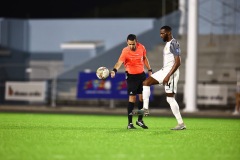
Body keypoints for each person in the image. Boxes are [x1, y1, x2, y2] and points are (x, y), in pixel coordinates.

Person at [138, 25, 186, 130]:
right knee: (145, 83)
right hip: (164, 71)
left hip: (171, 73)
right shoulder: (168, 44)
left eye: (162, 33)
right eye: (160, 33)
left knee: (170, 98)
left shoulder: (174, 43)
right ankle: (145, 108)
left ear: (168, 33)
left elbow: (178, 62)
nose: (161, 35)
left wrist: (168, 76)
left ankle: (181, 123)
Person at [111, 34, 152, 129]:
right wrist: (114, 70)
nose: (131, 46)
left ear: (136, 42)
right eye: (129, 44)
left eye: (133, 44)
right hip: (131, 77)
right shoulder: (125, 51)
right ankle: (130, 123)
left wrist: (149, 69)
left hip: (141, 75)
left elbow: (145, 58)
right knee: (132, 99)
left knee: (142, 98)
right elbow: (119, 62)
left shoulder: (141, 47)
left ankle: (140, 120)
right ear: (127, 43)